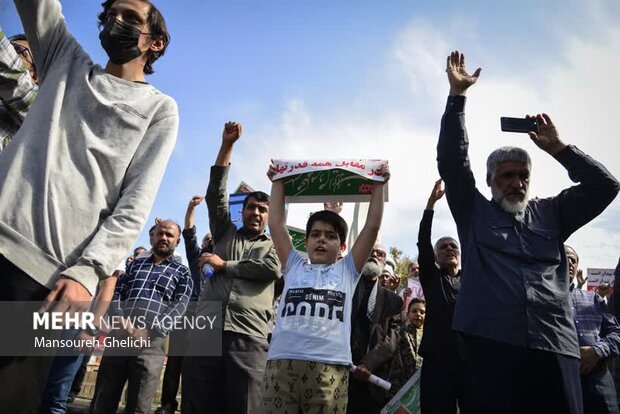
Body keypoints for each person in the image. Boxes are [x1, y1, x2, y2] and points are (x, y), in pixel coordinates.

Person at [0, 0, 178, 409]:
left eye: (131, 19)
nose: (117, 23)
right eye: (111, 14)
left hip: (43, 281)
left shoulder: (159, 110)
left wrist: (87, 273)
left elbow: (134, 204)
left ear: (157, 43)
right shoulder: (63, 57)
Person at [438, 50, 620, 414]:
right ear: (491, 182)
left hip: (556, 346)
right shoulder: (473, 212)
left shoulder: (552, 212)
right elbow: (452, 162)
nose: (516, 182)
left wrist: (559, 148)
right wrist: (457, 99)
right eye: (506, 175)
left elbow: (606, 186)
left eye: (523, 176)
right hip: (492, 346)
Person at [263, 159, 390, 413]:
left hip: (329, 370)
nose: (322, 239)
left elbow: (371, 227)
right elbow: (275, 224)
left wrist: (378, 184)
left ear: (342, 247)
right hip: (281, 366)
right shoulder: (294, 265)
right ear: (306, 242)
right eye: (315, 234)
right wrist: (277, 182)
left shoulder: (348, 270)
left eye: (331, 236)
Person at [182, 122, 282, 414]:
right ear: (242, 211)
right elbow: (216, 193)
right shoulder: (225, 231)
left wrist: (224, 264)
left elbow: (271, 269)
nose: (256, 212)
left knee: (244, 406)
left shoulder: (275, 244)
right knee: (196, 402)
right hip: (206, 328)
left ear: (269, 216)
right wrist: (227, 146)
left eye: (263, 209)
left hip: (248, 335)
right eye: (251, 207)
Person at [93, 220, 193, 414]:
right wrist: (119, 319)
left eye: (169, 235)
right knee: (104, 399)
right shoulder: (134, 265)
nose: (164, 237)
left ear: (177, 241)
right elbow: (117, 293)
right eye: (160, 233)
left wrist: (150, 329)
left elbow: (179, 306)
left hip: (151, 343)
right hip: (119, 336)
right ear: (152, 236)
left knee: (139, 405)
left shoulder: (182, 273)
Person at [155, 196, 212, 414]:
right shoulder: (197, 258)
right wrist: (190, 208)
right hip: (188, 312)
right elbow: (189, 232)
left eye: (213, 238)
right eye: (207, 238)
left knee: (196, 366)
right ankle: (168, 404)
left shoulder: (225, 263)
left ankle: (191, 406)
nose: (210, 240)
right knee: (175, 361)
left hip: (210, 316)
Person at [416, 178, 467, 414]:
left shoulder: (473, 279)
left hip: (470, 361)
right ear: (435, 258)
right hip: (437, 363)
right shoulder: (432, 278)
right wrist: (430, 205)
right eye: (443, 247)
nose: (448, 248)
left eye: (453, 246)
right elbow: (423, 242)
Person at [348, 244, 403, 413]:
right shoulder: (346, 288)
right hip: (342, 372)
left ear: (384, 261)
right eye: (370, 250)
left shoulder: (393, 301)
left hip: (373, 379)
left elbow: (392, 339)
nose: (374, 254)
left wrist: (368, 363)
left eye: (380, 253)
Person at [566, 246, 620, 414]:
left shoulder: (594, 299)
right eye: (564, 257)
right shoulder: (540, 299)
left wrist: (597, 351)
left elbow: (617, 333)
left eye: (574, 260)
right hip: (560, 383)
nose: (569, 262)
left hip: (598, 382)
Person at [0, 27, 38, 150]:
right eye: (9, 45)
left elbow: (14, 73)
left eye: (16, 50)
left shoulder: (36, 105)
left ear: (35, 76)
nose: (10, 51)